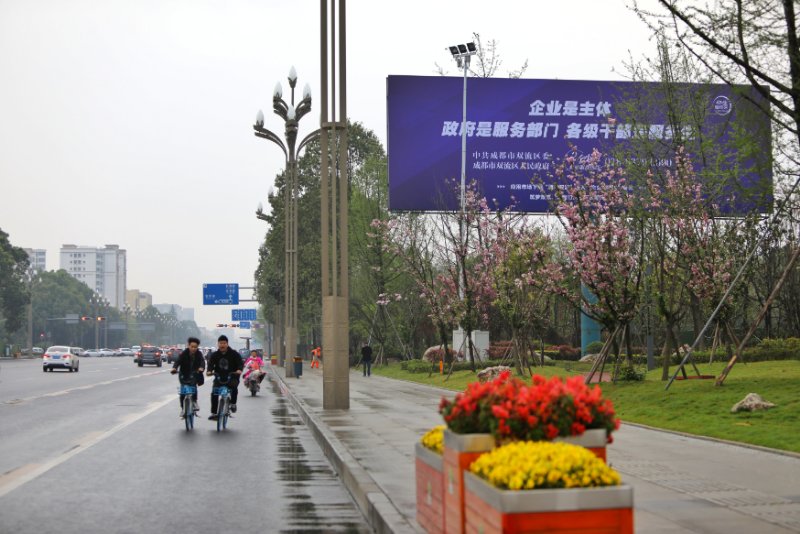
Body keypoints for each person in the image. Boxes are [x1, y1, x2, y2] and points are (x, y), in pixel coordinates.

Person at [206, 335, 243, 420]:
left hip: (232, 376)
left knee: (234, 388)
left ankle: (233, 403)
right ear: (218, 344)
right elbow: (210, 364)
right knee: (214, 392)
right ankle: (214, 412)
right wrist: (209, 371)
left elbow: (240, 363)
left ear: (227, 344)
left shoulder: (234, 353)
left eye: (224, 343)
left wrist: (239, 370)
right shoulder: (215, 355)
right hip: (219, 377)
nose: (222, 345)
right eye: (220, 343)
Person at [170, 336, 205, 418]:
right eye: (192, 346)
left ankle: (195, 401)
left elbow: (202, 362)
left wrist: (201, 368)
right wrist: (174, 368)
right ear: (188, 346)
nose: (193, 348)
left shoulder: (199, 354)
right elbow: (178, 361)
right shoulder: (184, 353)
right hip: (184, 374)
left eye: (195, 347)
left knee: (193, 387)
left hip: (194, 374)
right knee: (182, 392)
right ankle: (183, 409)